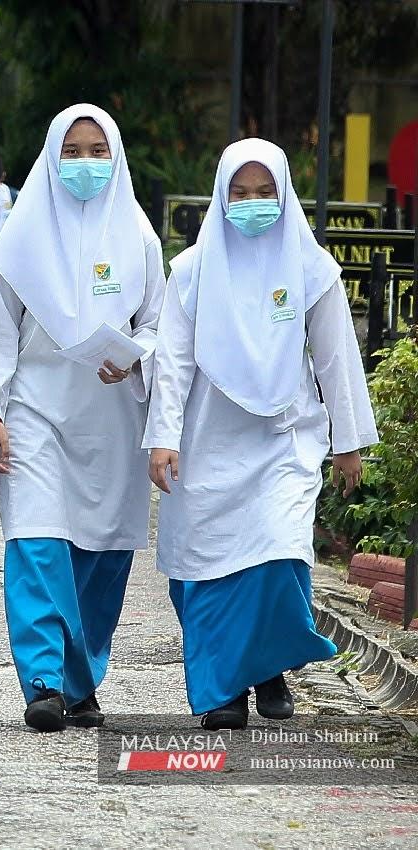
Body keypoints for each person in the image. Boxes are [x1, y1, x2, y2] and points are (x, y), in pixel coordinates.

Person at [144, 138, 377, 731]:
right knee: (210, 567)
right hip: (206, 443)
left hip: (284, 439)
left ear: (285, 193)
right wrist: (163, 435)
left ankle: (267, 665)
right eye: (240, 192)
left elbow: (336, 358)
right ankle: (225, 689)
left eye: (265, 191)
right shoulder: (191, 272)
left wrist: (348, 441)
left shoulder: (312, 269)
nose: (252, 202)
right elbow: (173, 361)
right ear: (222, 198)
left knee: (278, 553)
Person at [0, 104, 166, 733]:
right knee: (37, 541)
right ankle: (44, 681)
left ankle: (81, 680)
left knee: (102, 554)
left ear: (117, 157)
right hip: (34, 412)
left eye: (97, 151)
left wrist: (135, 358)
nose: (84, 164)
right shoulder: (21, 238)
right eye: (70, 152)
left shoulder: (139, 237)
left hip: (112, 420)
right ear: (50, 158)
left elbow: (159, 328)